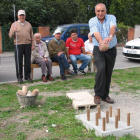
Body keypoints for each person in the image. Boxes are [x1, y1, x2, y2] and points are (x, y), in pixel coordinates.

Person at [89, 3, 117, 104]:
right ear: (95, 11)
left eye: (102, 11)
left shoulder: (111, 17)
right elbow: (95, 32)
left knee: (108, 72)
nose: (100, 13)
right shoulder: (92, 20)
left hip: (111, 49)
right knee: (101, 68)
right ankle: (97, 95)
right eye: (98, 11)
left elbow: (113, 27)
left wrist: (110, 36)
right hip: (98, 48)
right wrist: (101, 42)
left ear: (105, 11)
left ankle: (105, 95)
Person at [9, 9, 34, 83]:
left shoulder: (29, 24)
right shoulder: (14, 24)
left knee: (27, 61)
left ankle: (27, 76)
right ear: (18, 16)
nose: (22, 17)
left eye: (23, 15)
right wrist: (14, 31)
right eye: (20, 15)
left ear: (25, 16)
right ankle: (20, 77)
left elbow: (32, 36)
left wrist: (32, 44)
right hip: (18, 44)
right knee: (18, 61)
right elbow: (10, 36)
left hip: (27, 44)